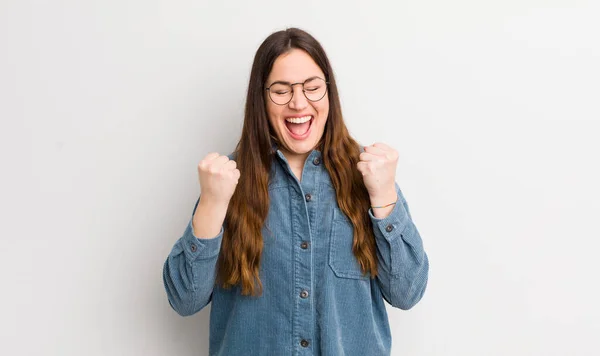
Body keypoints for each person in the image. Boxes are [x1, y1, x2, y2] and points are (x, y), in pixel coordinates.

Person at [163, 27, 429, 356]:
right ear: (261, 98)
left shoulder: (369, 175)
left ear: (329, 93)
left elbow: (407, 292)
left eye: (313, 88)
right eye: (281, 90)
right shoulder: (228, 181)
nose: (299, 102)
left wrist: (385, 196)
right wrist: (212, 205)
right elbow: (185, 299)